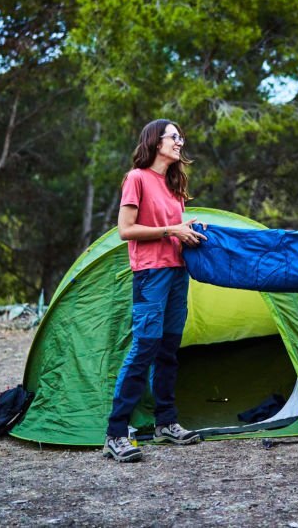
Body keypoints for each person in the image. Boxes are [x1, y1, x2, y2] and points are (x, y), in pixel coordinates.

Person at [103, 119, 208, 462]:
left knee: (168, 350)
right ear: (155, 141)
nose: (180, 141)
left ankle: (166, 423)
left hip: (178, 273)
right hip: (150, 275)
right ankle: (115, 433)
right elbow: (125, 230)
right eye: (174, 136)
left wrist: (186, 227)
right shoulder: (137, 178)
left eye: (181, 136)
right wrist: (171, 230)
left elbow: (173, 227)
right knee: (144, 349)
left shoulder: (173, 184)